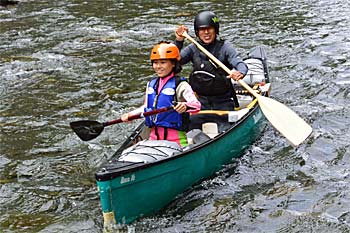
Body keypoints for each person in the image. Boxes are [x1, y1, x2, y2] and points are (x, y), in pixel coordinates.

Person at [174, 10, 248, 132]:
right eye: (202, 29)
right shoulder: (193, 48)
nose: (206, 32)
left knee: (224, 130)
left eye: (209, 29)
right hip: (199, 102)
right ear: (197, 32)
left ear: (215, 30)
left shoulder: (225, 48)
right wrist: (179, 41)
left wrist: (240, 72)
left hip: (223, 101)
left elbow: (239, 63)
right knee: (188, 128)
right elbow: (174, 63)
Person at [121, 42, 201, 147]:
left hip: (176, 140)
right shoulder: (151, 84)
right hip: (154, 138)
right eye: (155, 63)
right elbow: (146, 107)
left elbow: (196, 105)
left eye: (163, 62)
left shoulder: (181, 85)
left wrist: (185, 106)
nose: (158, 66)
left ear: (173, 64)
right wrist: (130, 115)